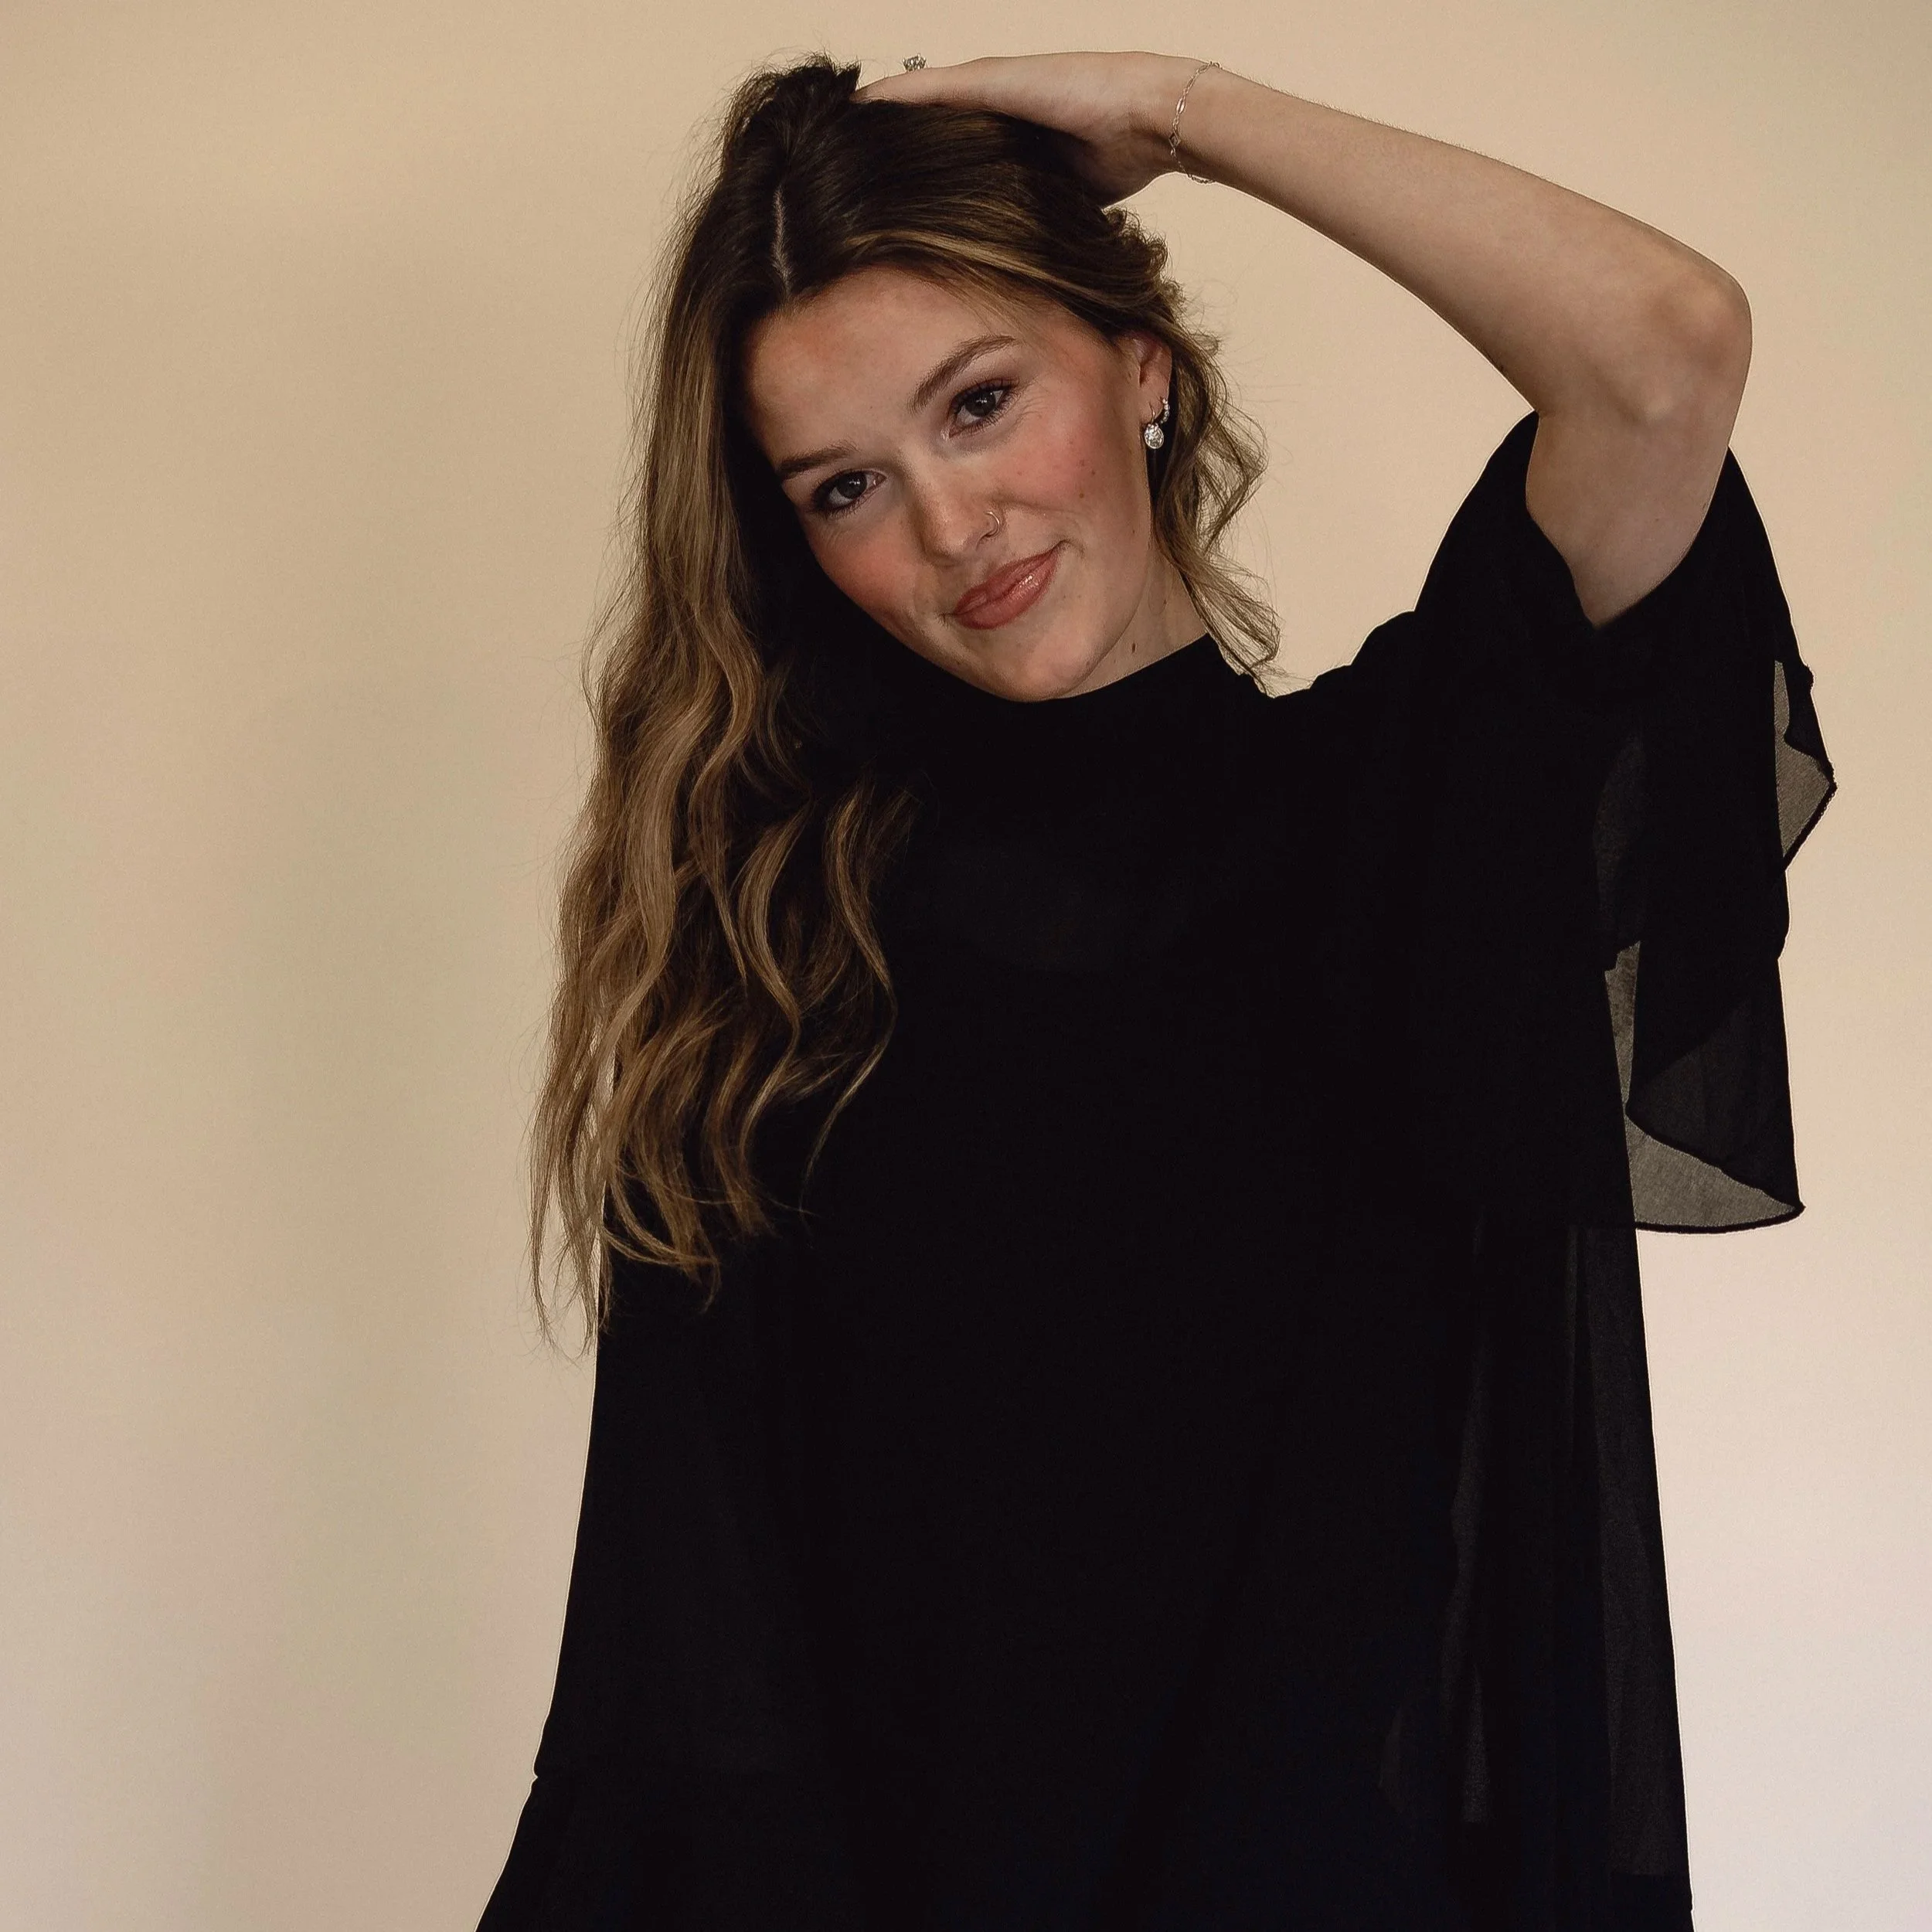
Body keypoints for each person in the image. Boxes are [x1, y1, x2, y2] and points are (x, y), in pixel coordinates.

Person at [477, 50, 1833, 1932]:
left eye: (981, 401)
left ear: (1141, 361)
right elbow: (687, 1682)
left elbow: (1661, 348)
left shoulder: (1401, 810)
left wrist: (1188, 114)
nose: (952, 530)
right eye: (848, 483)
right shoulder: (778, 961)